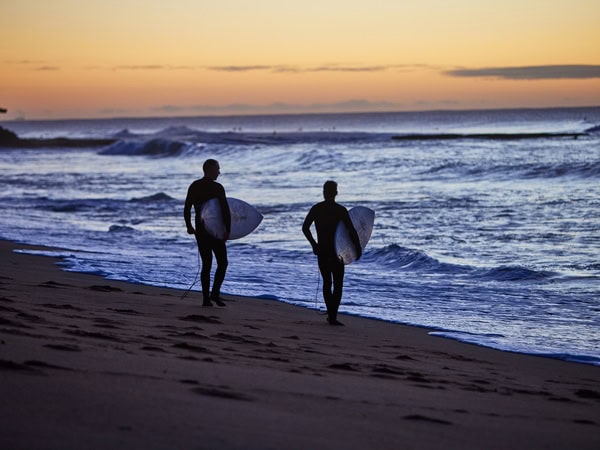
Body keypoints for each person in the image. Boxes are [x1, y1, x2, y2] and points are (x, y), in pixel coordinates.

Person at [302, 180, 361, 326]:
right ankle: (333, 315)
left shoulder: (317, 208)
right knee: (338, 284)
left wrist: (314, 245)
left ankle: (331, 314)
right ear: (336, 193)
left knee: (327, 282)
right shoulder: (341, 210)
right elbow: (351, 231)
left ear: (323, 192)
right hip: (337, 253)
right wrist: (357, 248)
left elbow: (305, 228)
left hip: (322, 250)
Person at [184, 159, 231, 307]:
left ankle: (206, 299)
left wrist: (189, 226)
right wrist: (228, 230)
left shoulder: (194, 186)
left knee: (206, 264)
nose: (219, 172)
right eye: (217, 169)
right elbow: (224, 210)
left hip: (200, 230)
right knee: (222, 263)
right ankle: (215, 294)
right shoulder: (218, 187)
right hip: (215, 231)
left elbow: (187, 208)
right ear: (209, 170)